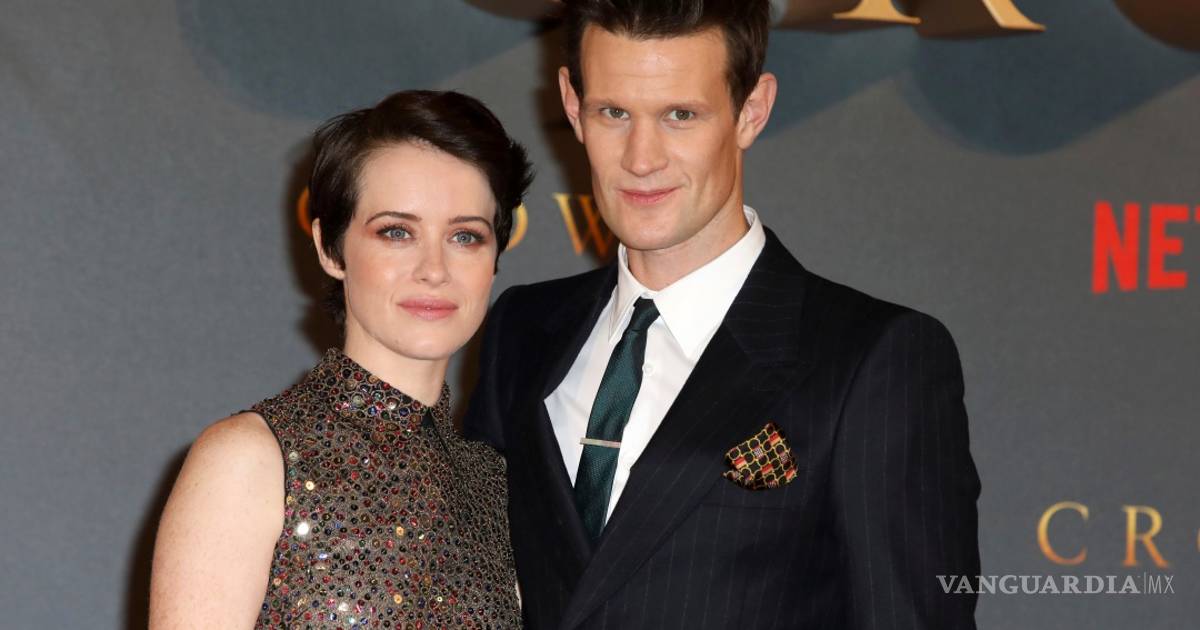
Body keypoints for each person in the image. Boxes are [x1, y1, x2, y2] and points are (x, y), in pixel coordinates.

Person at [464, 1, 981, 629]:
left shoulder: (871, 359)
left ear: (752, 111)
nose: (641, 158)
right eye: (614, 113)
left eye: (680, 115)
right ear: (572, 105)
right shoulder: (523, 329)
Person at [150, 90, 532, 629]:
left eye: (465, 236)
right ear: (331, 249)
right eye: (397, 232)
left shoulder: (496, 483)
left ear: (494, 259)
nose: (434, 269)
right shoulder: (251, 460)